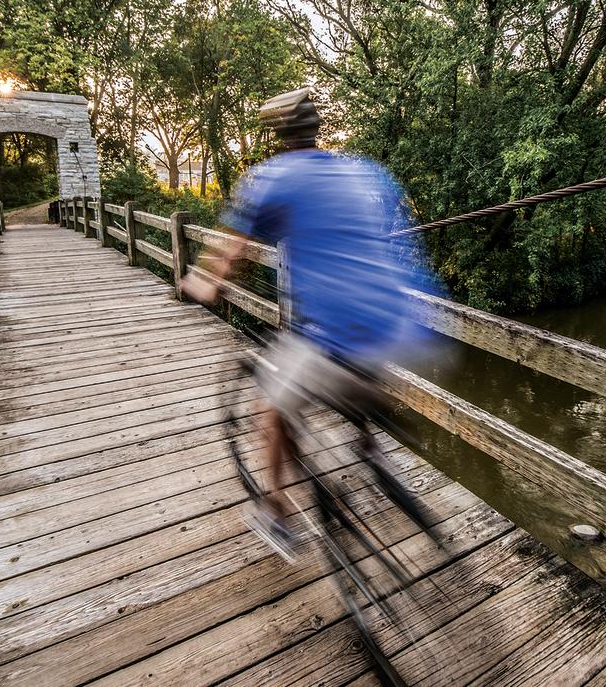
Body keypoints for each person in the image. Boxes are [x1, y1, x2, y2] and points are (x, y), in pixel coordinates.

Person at [180, 87, 441, 558]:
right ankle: (369, 448)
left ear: (277, 135)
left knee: (273, 408)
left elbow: (230, 253)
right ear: (317, 128)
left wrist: (203, 285)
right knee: (356, 378)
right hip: (404, 329)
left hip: (331, 335)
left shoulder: (270, 177)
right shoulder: (366, 172)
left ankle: (276, 511)